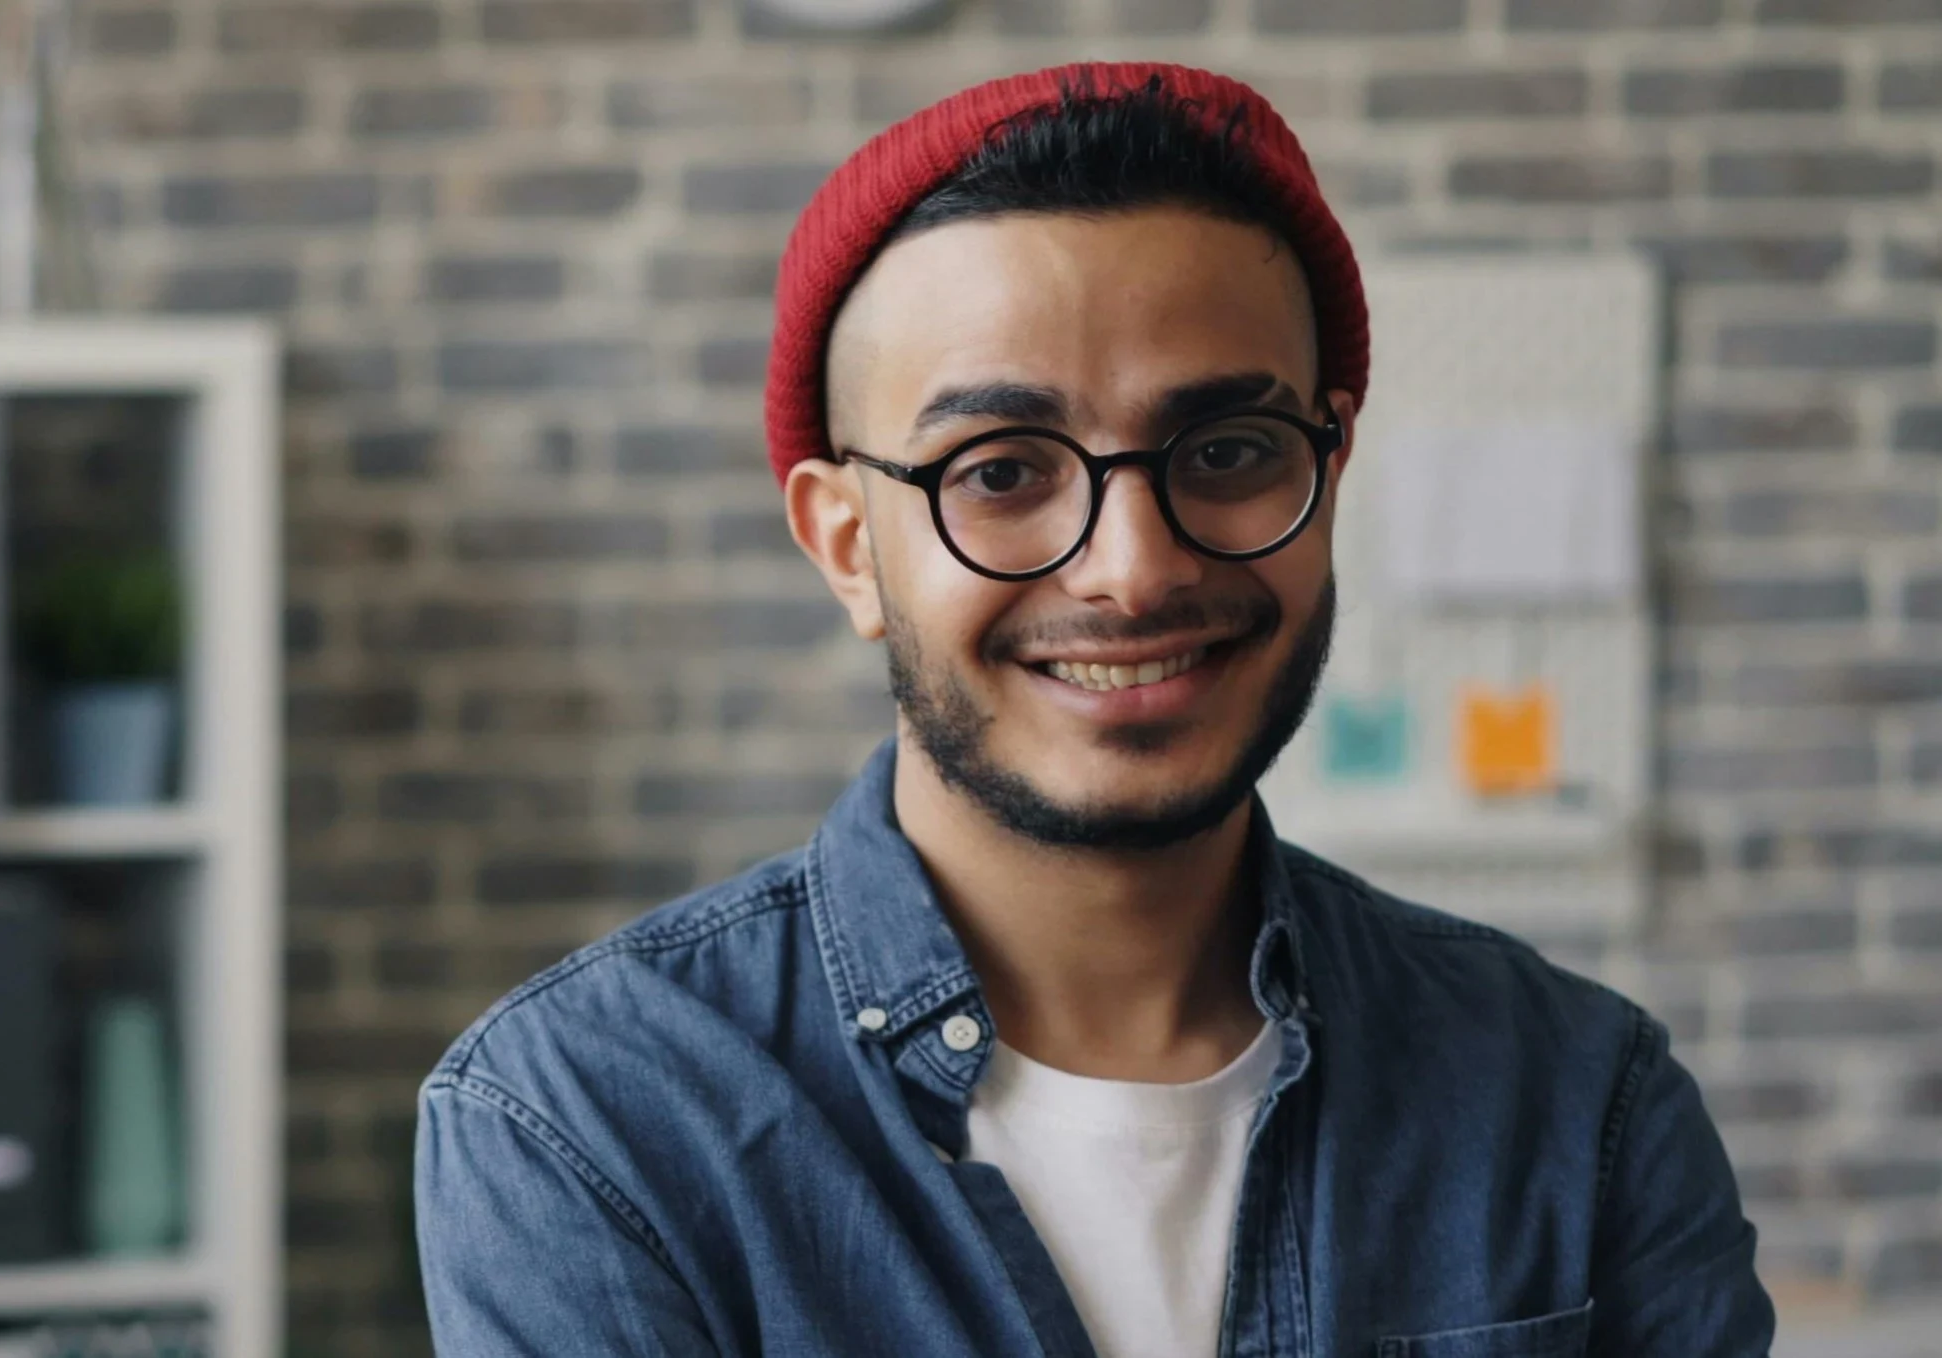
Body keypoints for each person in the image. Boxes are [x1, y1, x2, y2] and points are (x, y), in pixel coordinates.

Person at [414, 63, 1774, 1357]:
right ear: (844, 545)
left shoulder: (1579, 1100)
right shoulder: (586, 1120)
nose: (1131, 567)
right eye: (1000, 470)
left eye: (1228, 451)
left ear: (1328, 469)